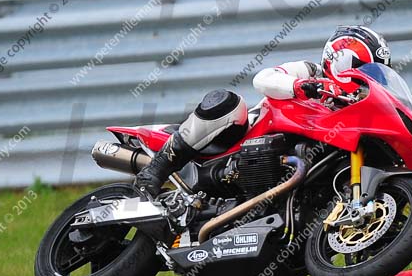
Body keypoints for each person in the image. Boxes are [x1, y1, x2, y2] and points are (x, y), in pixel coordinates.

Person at [134, 25, 392, 198]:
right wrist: (300, 86)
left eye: (373, 71)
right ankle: (155, 171)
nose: (363, 76)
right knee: (229, 103)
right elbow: (263, 79)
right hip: (241, 142)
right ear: (339, 58)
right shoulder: (311, 72)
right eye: (361, 67)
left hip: (277, 182)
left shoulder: (355, 105)